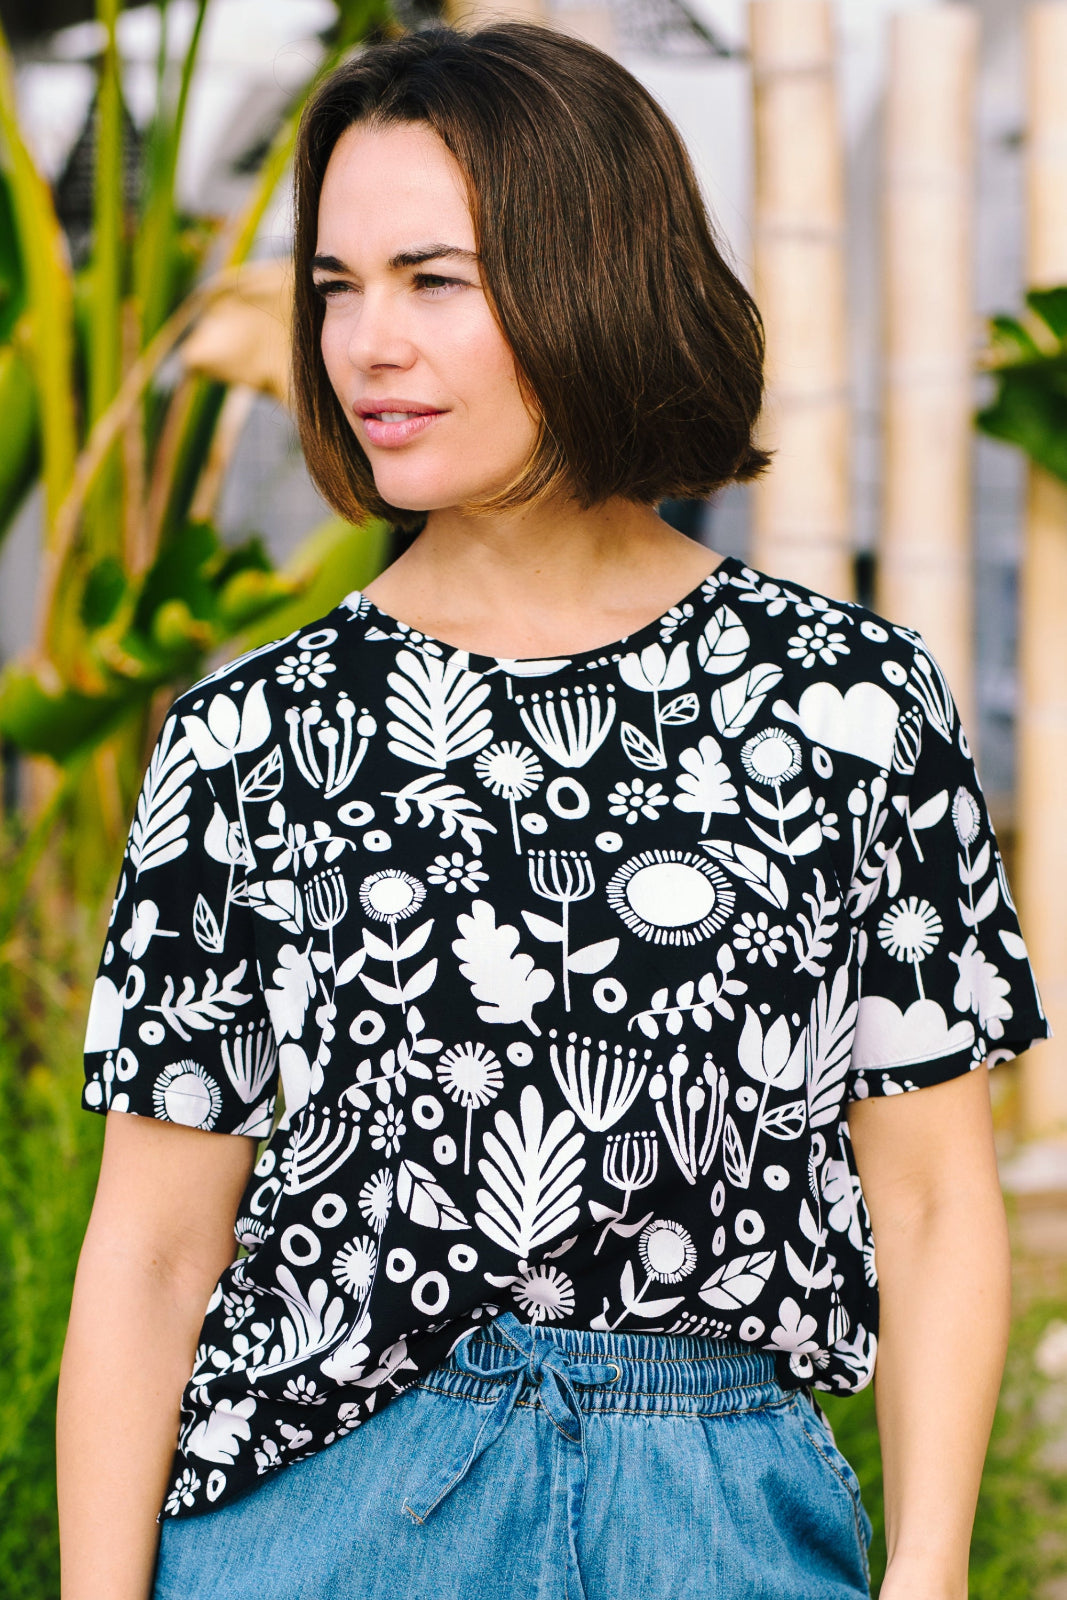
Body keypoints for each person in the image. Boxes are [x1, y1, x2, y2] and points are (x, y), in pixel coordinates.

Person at [57, 22, 1049, 1600]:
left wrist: (926, 1576)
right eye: (336, 288)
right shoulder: (257, 737)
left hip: (720, 1515)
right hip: (325, 1517)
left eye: (433, 280)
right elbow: (153, 1252)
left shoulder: (847, 703)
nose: (368, 344)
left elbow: (930, 1198)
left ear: (599, 273)